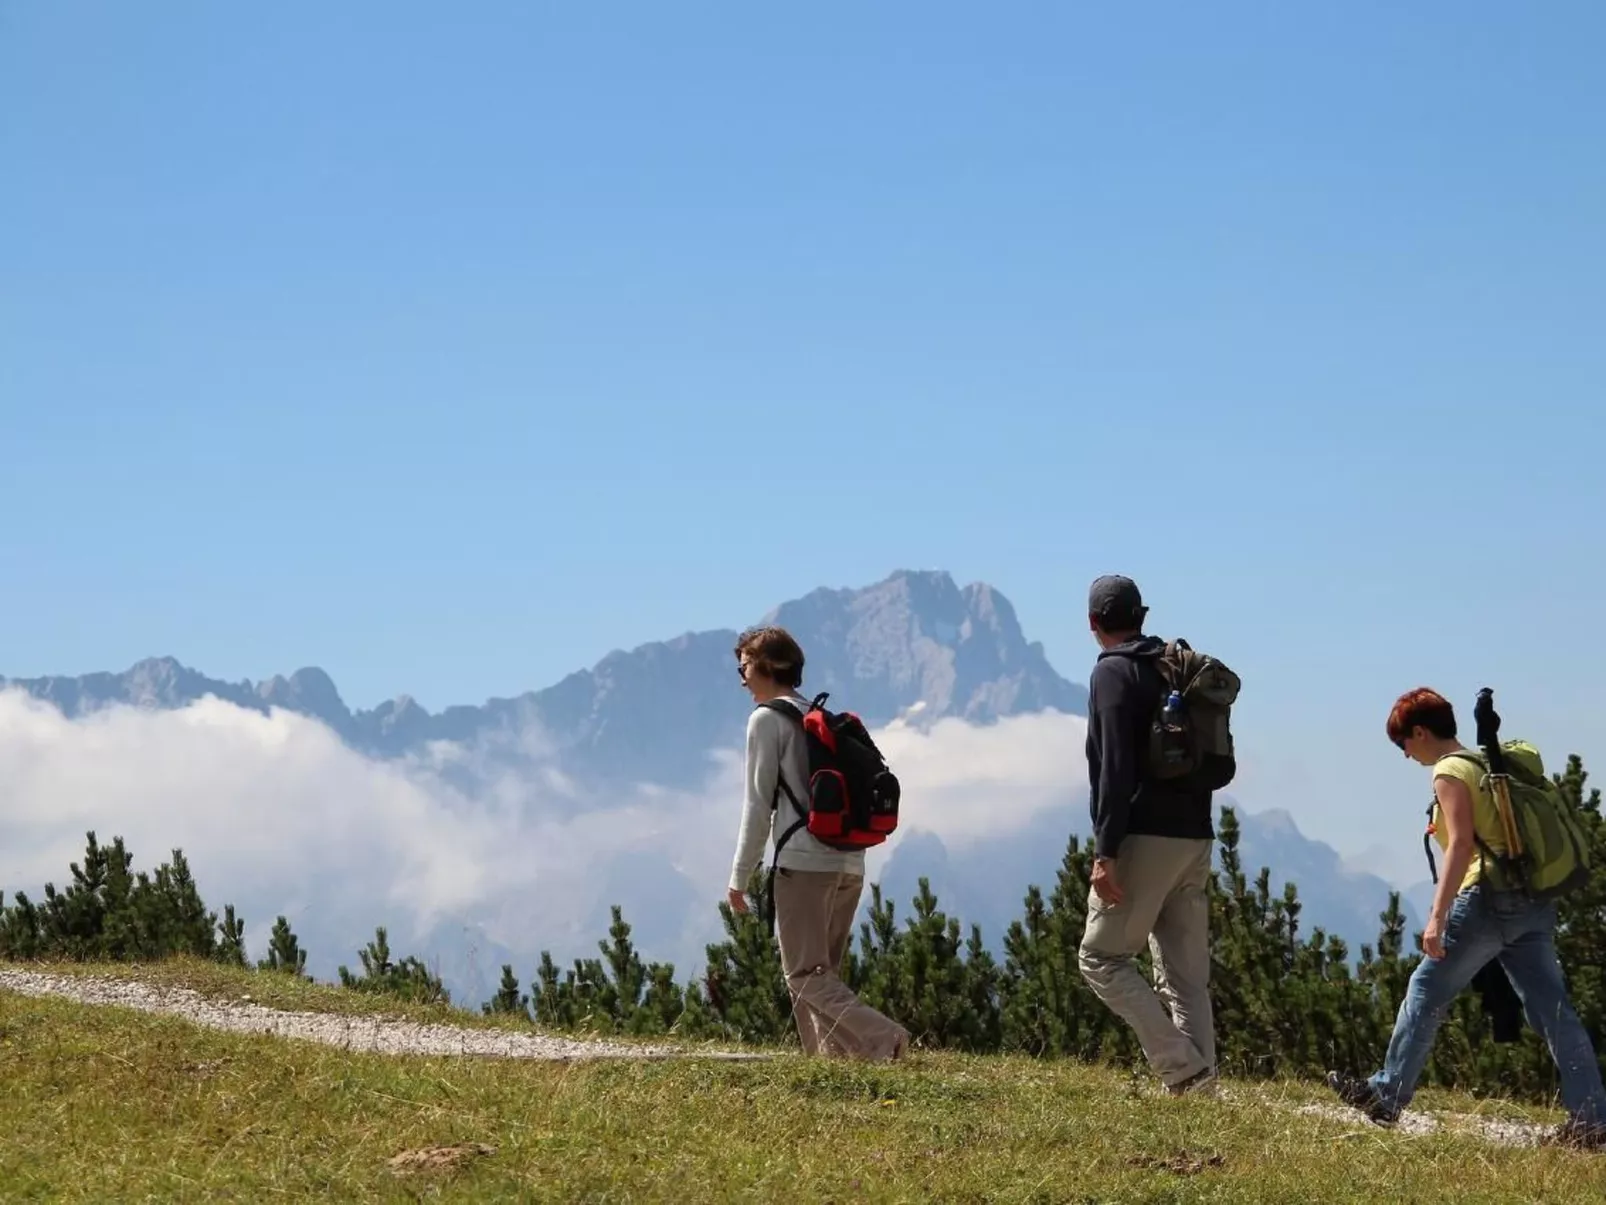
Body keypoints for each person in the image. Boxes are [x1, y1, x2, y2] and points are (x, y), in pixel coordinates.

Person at [1326, 687, 1606, 1147]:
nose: (1405, 754)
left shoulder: (1450, 771)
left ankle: (1386, 1095)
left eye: (1403, 743)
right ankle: (1591, 1119)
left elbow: (1459, 845)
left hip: (1486, 900)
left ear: (1420, 732)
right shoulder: (1487, 764)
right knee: (1553, 1011)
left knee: (1426, 990)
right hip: (1532, 901)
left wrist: (1437, 917)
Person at [725, 624, 909, 1061]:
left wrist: (740, 876)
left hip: (804, 865)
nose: (742, 678)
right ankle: (834, 1065)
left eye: (744, 666)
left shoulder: (766, 719)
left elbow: (758, 805)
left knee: (805, 975)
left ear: (767, 666)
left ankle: (885, 1037)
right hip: (849, 862)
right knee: (823, 974)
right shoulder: (818, 716)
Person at [1076, 575, 1219, 1096]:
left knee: (1101, 959)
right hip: (1196, 834)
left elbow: (1113, 768)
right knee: (1185, 977)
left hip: (1144, 835)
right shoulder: (1174, 666)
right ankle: (1201, 1087)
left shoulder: (1112, 672)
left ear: (1093, 623)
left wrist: (1105, 852)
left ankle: (1182, 1069)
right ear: (1141, 616)